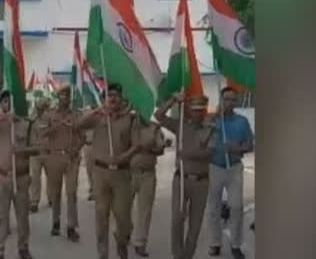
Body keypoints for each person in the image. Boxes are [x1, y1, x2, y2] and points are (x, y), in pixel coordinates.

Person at [76, 83, 138, 259]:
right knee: (101, 216)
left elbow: (137, 145)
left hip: (122, 174)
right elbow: (78, 125)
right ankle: (102, 253)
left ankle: (121, 240)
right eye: (109, 95)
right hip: (101, 173)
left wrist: (122, 158)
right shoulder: (98, 118)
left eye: (116, 95)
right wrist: (98, 111)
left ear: (121, 98)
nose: (112, 98)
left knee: (123, 216)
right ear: (104, 99)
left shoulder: (130, 119)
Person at [155, 93, 216, 259]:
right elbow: (158, 115)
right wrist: (173, 100)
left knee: (195, 225)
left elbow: (209, 153)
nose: (197, 113)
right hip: (181, 178)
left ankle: (187, 256)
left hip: (201, 182)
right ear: (189, 110)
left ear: (204, 111)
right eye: (194, 109)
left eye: (201, 110)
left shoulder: (210, 129)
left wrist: (186, 153)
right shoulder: (181, 125)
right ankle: (177, 254)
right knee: (177, 219)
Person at [0, 90, 39, 259]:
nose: (9, 104)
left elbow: (38, 147)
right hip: (1, 177)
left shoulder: (27, 124)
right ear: (2, 104)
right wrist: (4, 117)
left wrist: (22, 150)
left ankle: (23, 248)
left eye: (11, 101)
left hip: (21, 177)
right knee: (0, 217)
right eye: (5, 101)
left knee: (23, 217)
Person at [205, 87, 254, 259]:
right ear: (220, 99)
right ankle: (215, 244)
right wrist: (214, 119)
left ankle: (235, 245)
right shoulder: (211, 119)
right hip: (214, 167)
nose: (230, 102)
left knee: (236, 207)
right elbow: (202, 138)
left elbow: (250, 145)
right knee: (213, 208)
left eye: (233, 99)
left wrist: (237, 148)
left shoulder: (242, 121)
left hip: (234, 168)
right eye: (226, 99)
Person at [43, 84, 84, 242]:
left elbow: (83, 137)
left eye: (67, 95)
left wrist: (77, 149)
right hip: (54, 156)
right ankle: (56, 221)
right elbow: (42, 133)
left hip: (71, 158)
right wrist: (54, 127)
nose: (64, 98)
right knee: (55, 192)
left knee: (72, 193)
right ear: (57, 97)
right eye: (62, 95)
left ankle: (71, 226)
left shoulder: (76, 115)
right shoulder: (50, 115)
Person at [128, 112, 166, 257]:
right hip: (128, 173)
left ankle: (140, 242)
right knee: (122, 208)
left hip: (148, 174)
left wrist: (147, 148)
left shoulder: (154, 128)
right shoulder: (128, 126)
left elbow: (160, 149)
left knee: (145, 210)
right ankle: (125, 232)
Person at [29, 97, 51, 212]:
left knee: (51, 176)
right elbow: (29, 135)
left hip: (47, 151)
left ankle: (51, 197)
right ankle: (34, 201)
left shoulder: (49, 118)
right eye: (40, 106)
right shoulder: (32, 119)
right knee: (35, 178)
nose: (41, 109)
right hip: (35, 152)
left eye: (44, 107)